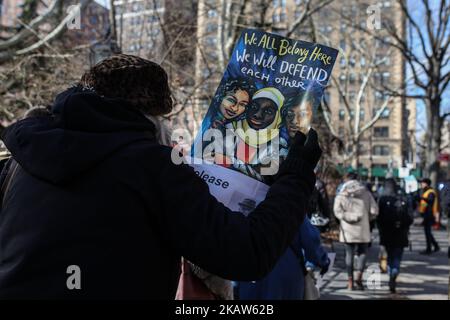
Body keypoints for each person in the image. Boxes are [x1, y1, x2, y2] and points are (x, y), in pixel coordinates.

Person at [0, 54, 322, 299]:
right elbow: (246, 252)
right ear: (153, 117)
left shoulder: (21, 160)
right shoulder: (153, 167)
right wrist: (295, 177)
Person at [237, 218, 329, 300]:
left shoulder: (241, 208)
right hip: (287, 273)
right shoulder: (290, 205)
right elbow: (311, 241)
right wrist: (323, 261)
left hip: (250, 274)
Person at [333, 172, 378, 290]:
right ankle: (359, 277)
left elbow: (336, 211)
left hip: (347, 229)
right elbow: (374, 211)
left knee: (349, 254)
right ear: (357, 179)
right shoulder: (366, 193)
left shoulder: (342, 193)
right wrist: (367, 218)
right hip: (363, 228)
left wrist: (346, 217)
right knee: (363, 252)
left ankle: (350, 282)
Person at [377, 178, 413, 293]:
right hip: (401, 233)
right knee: (397, 256)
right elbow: (410, 217)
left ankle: (390, 271)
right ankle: (394, 272)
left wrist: (381, 228)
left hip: (386, 233)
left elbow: (378, 218)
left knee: (388, 255)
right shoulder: (404, 198)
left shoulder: (382, 199)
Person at [418, 178, 440, 254]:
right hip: (426, 214)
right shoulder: (426, 191)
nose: (421, 184)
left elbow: (430, 201)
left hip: (429, 215)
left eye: (423, 183)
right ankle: (435, 246)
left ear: (426, 184)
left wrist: (422, 198)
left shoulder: (430, 192)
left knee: (427, 232)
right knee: (428, 232)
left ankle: (429, 249)